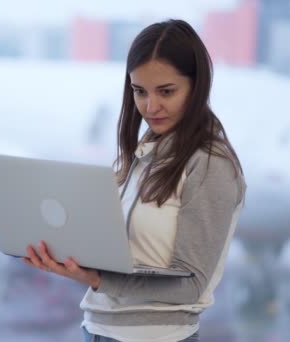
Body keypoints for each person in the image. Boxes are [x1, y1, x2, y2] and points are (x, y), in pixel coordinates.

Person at [23, 19, 246, 342]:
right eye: (140, 92)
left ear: (197, 87)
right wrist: (67, 254)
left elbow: (191, 284)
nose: (150, 107)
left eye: (166, 92)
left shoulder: (210, 164)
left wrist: (99, 278)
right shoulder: (142, 154)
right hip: (98, 329)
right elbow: (128, 255)